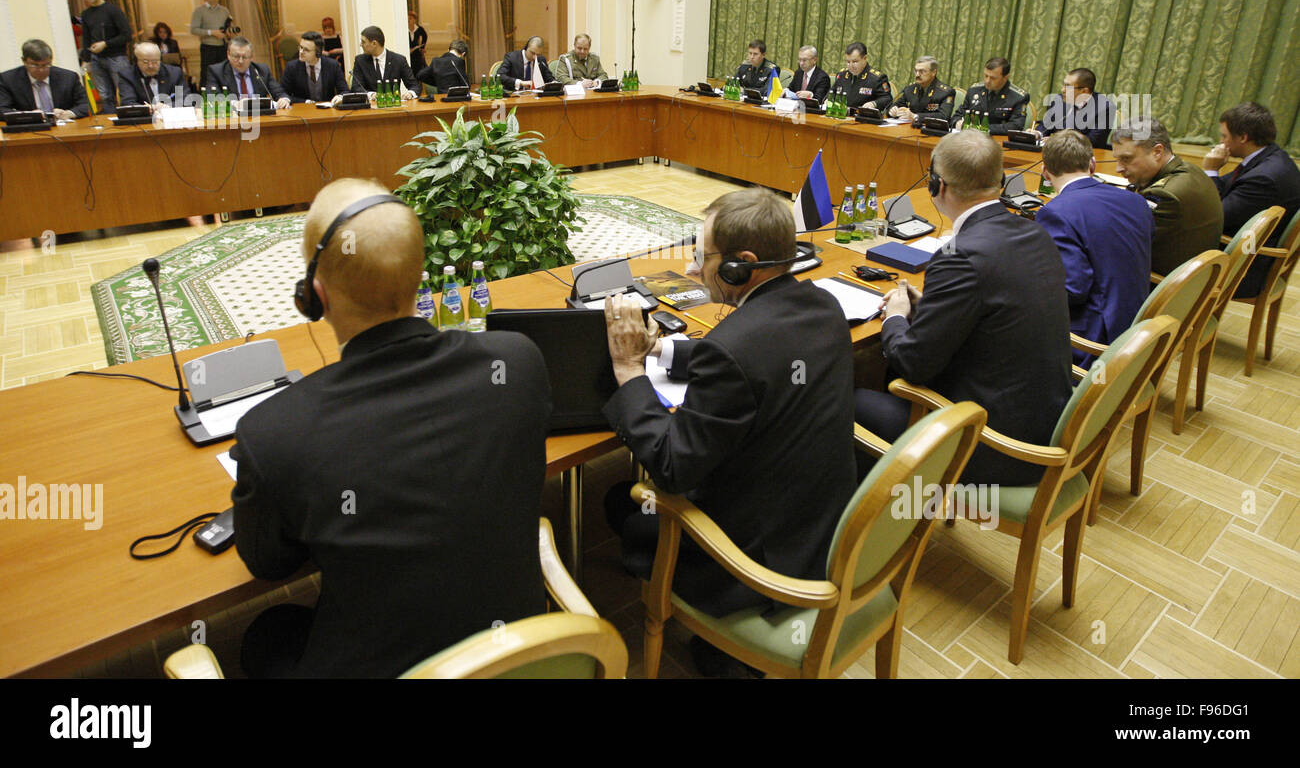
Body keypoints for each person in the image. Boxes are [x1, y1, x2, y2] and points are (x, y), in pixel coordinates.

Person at [230, 177, 551, 677]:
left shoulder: (273, 432)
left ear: (314, 296)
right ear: (419, 272)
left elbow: (269, 564)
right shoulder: (519, 362)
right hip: (518, 657)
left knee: (268, 635)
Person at [601, 187, 857, 664]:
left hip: (755, 561)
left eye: (703, 256)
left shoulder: (732, 347)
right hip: (821, 526)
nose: (694, 269)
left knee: (623, 502)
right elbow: (758, 353)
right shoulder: (821, 305)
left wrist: (630, 371)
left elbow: (673, 468)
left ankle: (728, 646)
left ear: (742, 264)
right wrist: (662, 349)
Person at [854, 130, 1073, 486]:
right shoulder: (1035, 232)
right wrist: (932, 307)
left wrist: (895, 315)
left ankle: (873, 530)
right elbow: (996, 313)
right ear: (1000, 182)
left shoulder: (960, 257)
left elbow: (912, 363)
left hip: (994, 444)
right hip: (1043, 421)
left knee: (849, 399)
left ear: (936, 185)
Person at [1034, 131, 1154, 364]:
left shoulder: (1055, 213)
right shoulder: (1137, 201)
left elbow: (1072, 290)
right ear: (1092, 164)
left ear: (1045, 172)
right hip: (1137, 325)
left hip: (1096, 342)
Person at [1202, 102, 1300, 299]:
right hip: (1250, 253)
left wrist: (1210, 170)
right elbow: (1226, 185)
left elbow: (1218, 216)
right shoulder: (1271, 157)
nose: (1220, 142)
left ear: (1243, 137)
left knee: (1166, 251)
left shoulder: (1264, 178)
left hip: (1245, 269)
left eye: (1224, 136)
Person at [1112, 118, 1223, 277]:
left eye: (1126, 159)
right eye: (1117, 159)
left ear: (1157, 152)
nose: (1118, 168)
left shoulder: (1164, 196)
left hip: (1160, 286)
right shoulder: (1190, 170)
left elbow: (1122, 244)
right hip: (1191, 276)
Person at [78, 0, 133, 113]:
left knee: (124, 91)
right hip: (96, 59)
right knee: (104, 95)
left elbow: (127, 35)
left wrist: (105, 44)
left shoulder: (112, 10)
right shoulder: (85, 14)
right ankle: (109, 121)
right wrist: (86, 59)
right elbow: (86, 38)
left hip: (116, 57)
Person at [0, 38, 90, 120]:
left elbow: (86, 104)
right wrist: (28, 115)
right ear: (24, 61)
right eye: (35, 65)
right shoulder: (8, 79)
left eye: (46, 65)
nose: (41, 70)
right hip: (30, 130)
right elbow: (2, 109)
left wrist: (69, 113)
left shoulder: (68, 77)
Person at [1036, 68, 1116, 149]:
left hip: (1085, 156)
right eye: (1064, 85)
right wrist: (1038, 133)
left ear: (1084, 91)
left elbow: (1093, 141)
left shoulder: (1105, 108)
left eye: (1068, 86)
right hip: (1055, 152)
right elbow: (1046, 124)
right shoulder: (1059, 99)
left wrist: (1058, 141)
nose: (1062, 90)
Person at [205, 37, 290, 109]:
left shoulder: (262, 70)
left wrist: (284, 99)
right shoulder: (216, 71)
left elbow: (279, 92)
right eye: (236, 56)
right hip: (232, 120)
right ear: (228, 55)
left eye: (245, 57)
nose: (240, 61)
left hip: (260, 118)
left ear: (252, 57)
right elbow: (213, 98)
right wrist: (235, 104)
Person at [953, 57, 1030, 134]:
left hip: (997, 140)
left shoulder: (1018, 97)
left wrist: (979, 128)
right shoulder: (974, 90)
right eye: (986, 76)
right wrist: (958, 122)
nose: (987, 81)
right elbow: (957, 115)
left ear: (1005, 77)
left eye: (993, 78)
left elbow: (1015, 126)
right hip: (970, 138)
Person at [117, 41, 191, 110]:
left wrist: (168, 106)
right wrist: (147, 109)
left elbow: (184, 99)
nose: (150, 66)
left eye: (155, 62)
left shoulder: (175, 73)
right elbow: (127, 103)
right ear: (136, 61)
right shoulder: (127, 76)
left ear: (160, 60)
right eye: (145, 62)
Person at [350, 26, 418, 98]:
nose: (361, 45)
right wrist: (372, 95)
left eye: (363, 42)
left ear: (374, 43)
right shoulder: (360, 61)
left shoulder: (398, 60)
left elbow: (414, 86)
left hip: (393, 106)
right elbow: (356, 88)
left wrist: (410, 93)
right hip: (370, 106)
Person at [281, 31, 347, 104]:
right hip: (302, 111)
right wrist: (305, 101)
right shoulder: (291, 67)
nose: (301, 52)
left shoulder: (332, 65)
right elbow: (283, 94)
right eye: (301, 47)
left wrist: (340, 97)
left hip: (328, 111)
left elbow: (344, 90)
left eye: (306, 50)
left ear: (318, 52)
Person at [889, 56, 956, 125]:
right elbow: (893, 105)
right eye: (916, 71)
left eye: (922, 71)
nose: (917, 74)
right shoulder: (910, 89)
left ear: (933, 72)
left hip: (930, 131)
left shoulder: (945, 92)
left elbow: (944, 116)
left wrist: (915, 116)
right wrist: (893, 110)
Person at [830, 42, 892, 111]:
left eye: (855, 62)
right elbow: (831, 92)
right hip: (841, 115)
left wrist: (874, 103)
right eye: (848, 62)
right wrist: (827, 100)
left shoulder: (876, 78)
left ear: (865, 58)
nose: (851, 66)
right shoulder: (842, 75)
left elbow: (887, 99)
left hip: (863, 117)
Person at [189, 0, 233, 79]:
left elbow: (227, 27)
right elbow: (193, 29)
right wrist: (212, 32)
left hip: (222, 47)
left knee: (224, 73)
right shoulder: (199, 11)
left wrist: (228, 33)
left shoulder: (224, 10)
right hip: (208, 48)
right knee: (207, 74)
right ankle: (207, 93)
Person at [408, 12, 428, 76]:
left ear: (414, 20)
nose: (408, 20)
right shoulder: (404, 29)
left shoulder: (419, 29)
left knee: (418, 68)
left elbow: (425, 36)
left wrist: (422, 47)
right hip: (408, 51)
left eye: (410, 18)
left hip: (416, 51)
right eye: (407, 18)